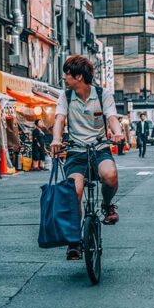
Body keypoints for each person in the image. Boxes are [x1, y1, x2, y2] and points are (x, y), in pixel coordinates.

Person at [49, 55, 124, 261]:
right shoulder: (65, 96)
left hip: (100, 148)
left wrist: (117, 133)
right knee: (75, 191)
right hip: (76, 150)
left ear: (79, 76)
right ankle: (74, 240)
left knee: (110, 175)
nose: (64, 77)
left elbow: (112, 118)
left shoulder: (102, 94)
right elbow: (59, 119)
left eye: (67, 74)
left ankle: (107, 205)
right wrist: (56, 139)